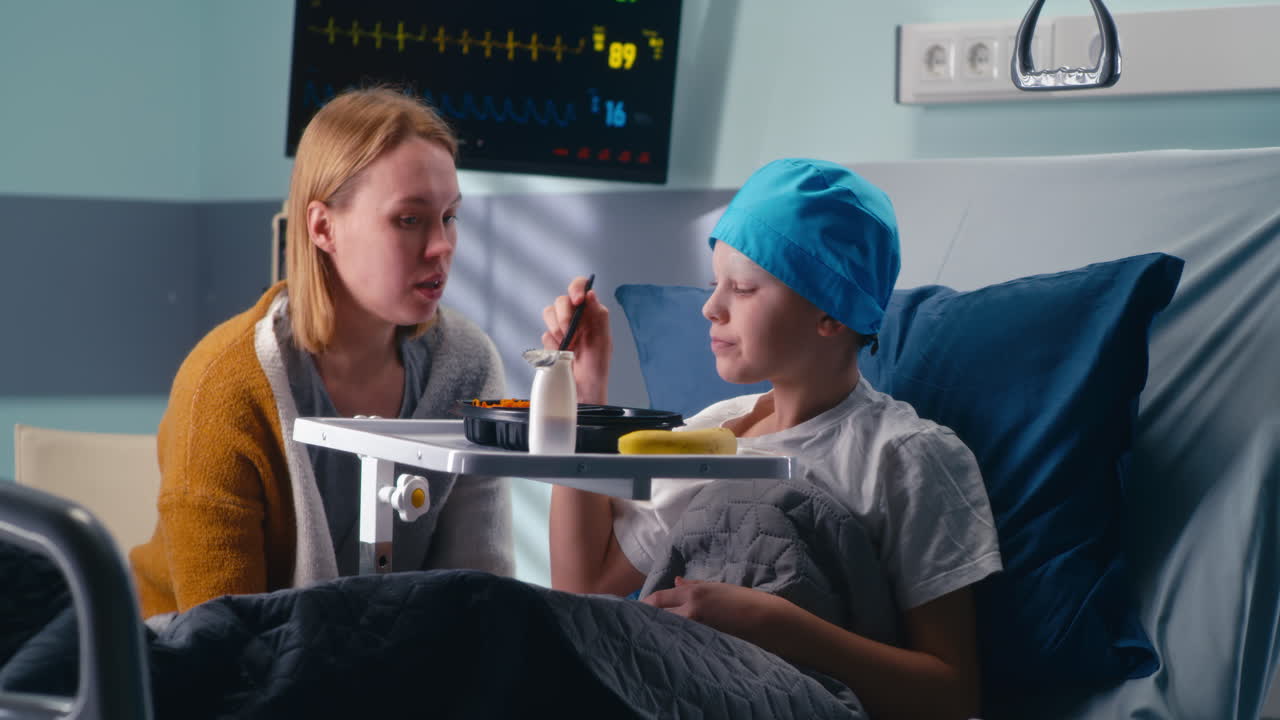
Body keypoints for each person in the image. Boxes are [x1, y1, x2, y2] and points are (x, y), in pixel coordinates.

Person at [542, 158, 1003, 720]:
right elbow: (584, 582)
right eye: (715, 285)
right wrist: (584, 395)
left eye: (742, 288)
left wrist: (781, 627)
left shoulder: (905, 457)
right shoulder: (711, 432)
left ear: (830, 312)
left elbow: (953, 696)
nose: (711, 308)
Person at [130, 87, 513, 620]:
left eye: (449, 217)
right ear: (322, 226)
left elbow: (482, 604)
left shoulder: (467, 368)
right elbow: (216, 652)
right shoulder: (224, 386)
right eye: (409, 219)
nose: (442, 245)